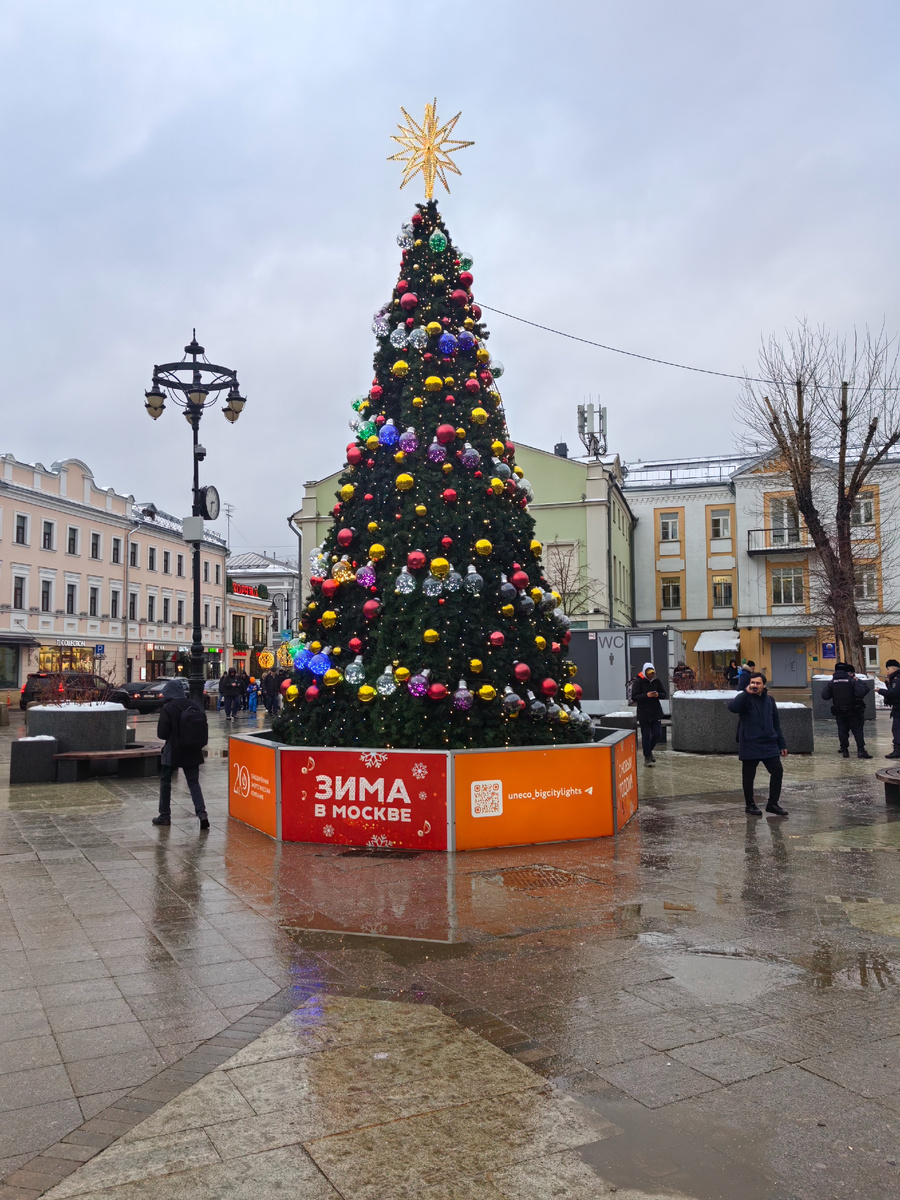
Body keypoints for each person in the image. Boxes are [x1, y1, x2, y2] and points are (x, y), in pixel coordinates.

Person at [727, 672, 788, 816]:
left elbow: (776, 723)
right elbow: (732, 707)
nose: (754, 685)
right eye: (752, 682)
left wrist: (782, 744)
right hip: (750, 742)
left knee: (777, 771)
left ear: (764, 685)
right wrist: (745, 693)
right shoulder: (745, 698)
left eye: (758, 683)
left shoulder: (770, 700)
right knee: (749, 776)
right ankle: (750, 805)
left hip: (769, 743)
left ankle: (772, 804)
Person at [152, 680, 209, 829]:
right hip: (193, 750)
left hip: (173, 751)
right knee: (193, 782)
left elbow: (162, 734)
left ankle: (164, 816)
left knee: (166, 781)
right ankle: (202, 813)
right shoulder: (194, 705)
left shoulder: (168, 708)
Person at [822, 662, 871, 759]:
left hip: (839, 711)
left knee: (842, 730)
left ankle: (845, 750)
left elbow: (825, 696)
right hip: (853, 710)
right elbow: (861, 693)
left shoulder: (832, 682)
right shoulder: (851, 681)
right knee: (857, 730)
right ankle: (860, 750)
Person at [632, 662, 667, 766]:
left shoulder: (657, 681)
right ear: (645, 672)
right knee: (646, 735)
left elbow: (664, 694)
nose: (651, 675)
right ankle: (647, 757)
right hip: (644, 713)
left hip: (655, 712)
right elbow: (634, 697)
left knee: (657, 734)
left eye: (652, 673)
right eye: (649, 673)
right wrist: (646, 695)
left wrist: (657, 695)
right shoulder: (638, 682)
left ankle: (648, 752)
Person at [878, 659, 900, 758]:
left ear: (894, 669)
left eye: (888, 668)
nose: (887, 671)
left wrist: (880, 691)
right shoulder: (894, 679)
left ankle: (897, 750)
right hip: (897, 708)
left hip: (898, 708)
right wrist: (888, 683)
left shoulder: (897, 679)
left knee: (897, 729)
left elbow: (893, 693)